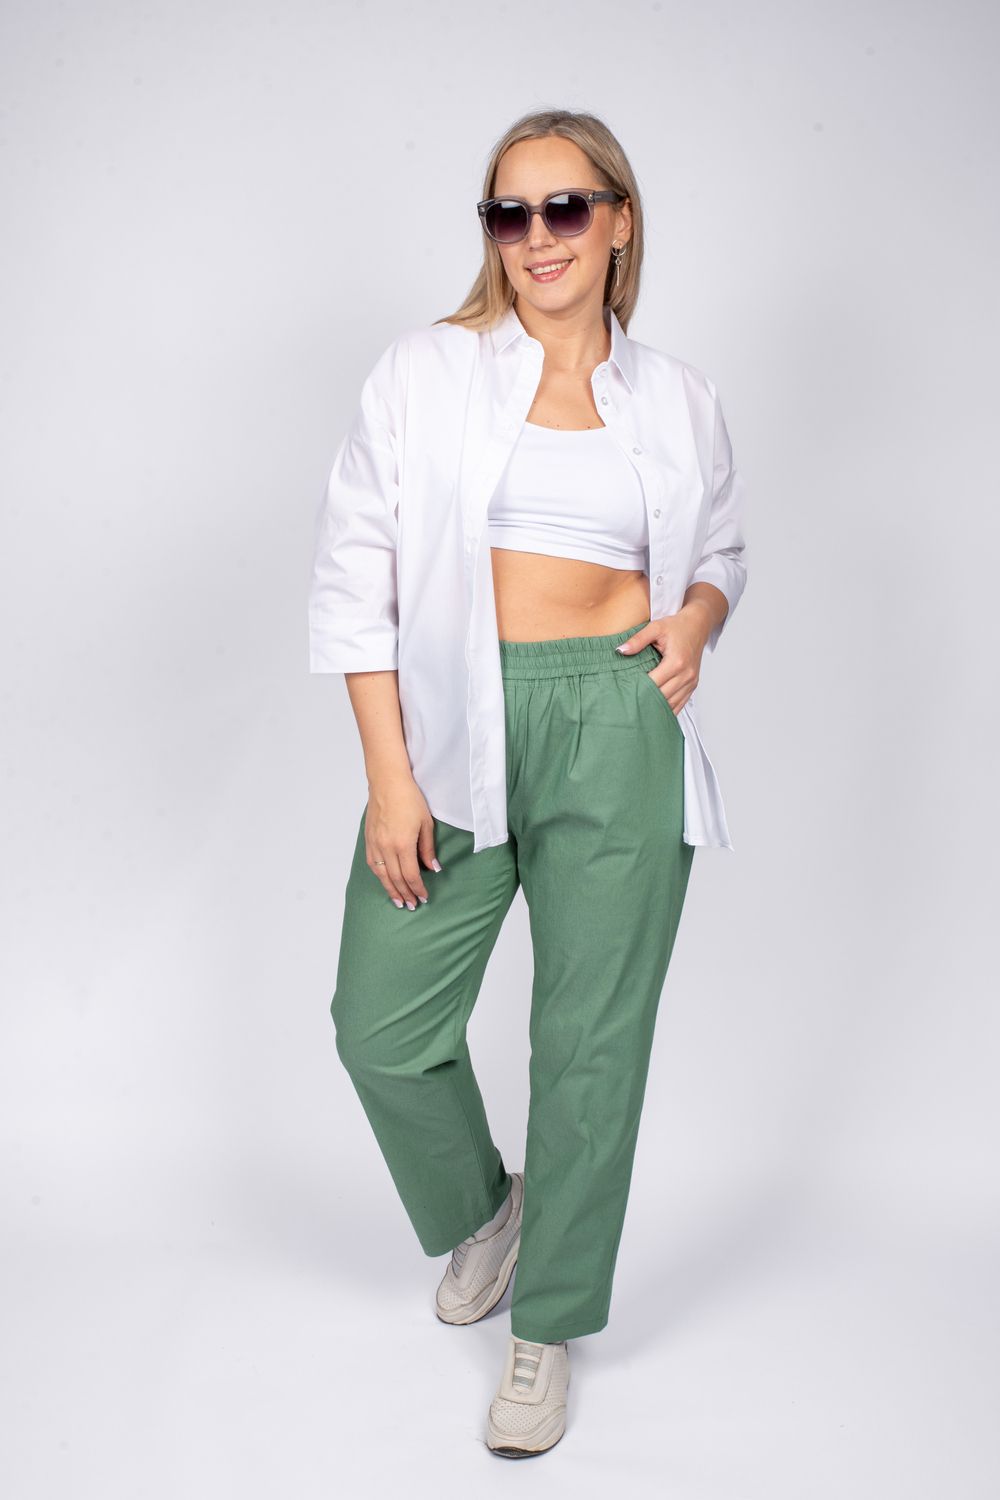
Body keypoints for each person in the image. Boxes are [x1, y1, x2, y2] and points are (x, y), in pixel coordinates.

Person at [308, 107, 749, 1458]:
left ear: (618, 221)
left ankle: (546, 1325)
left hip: (617, 720)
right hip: (454, 722)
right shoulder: (424, 373)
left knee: (590, 1046)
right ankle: (486, 1213)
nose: (538, 237)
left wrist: (696, 622)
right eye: (511, 213)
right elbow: (355, 579)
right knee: (381, 1026)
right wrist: (391, 778)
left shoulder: (679, 398)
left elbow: (719, 552)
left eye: (565, 208)